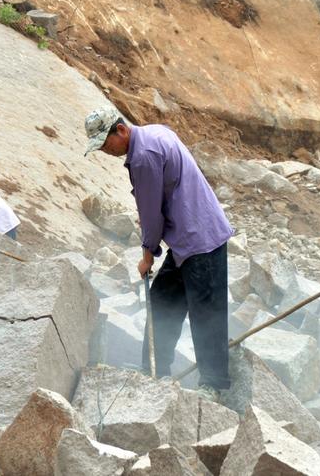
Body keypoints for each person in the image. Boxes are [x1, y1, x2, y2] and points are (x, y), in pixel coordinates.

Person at [83, 106, 234, 402]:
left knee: (206, 311)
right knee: (163, 300)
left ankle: (213, 384)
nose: (104, 151)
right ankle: (154, 369)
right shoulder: (155, 132)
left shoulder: (143, 157)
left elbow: (150, 213)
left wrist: (148, 253)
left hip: (200, 237)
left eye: (105, 143)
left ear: (121, 130)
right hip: (185, 238)